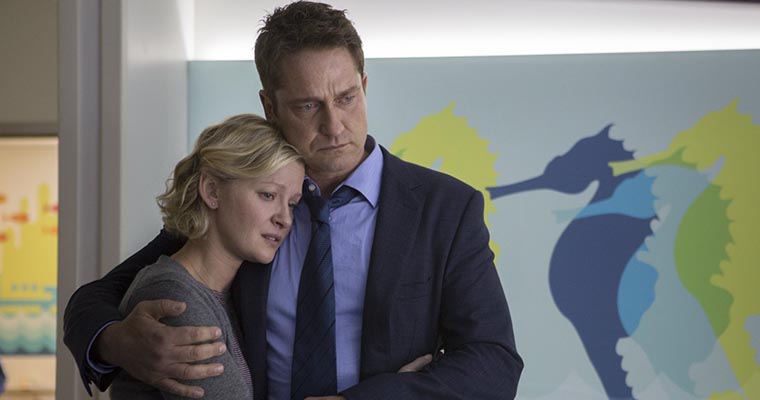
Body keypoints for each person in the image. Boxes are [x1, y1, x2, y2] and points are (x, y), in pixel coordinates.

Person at [64, 1, 523, 399]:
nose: (334, 126)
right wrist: (115, 343)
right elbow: (95, 297)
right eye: (308, 106)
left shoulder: (445, 209)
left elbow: (494, 361)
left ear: (365, 86)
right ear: (270, 107)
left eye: (347, 98)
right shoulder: (243, 205)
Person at [109, 114, 305, 399]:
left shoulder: (227, 293)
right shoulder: (173, 295)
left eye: (293, 204)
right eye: (268, 195)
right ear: (212, 191)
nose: (284, 219)